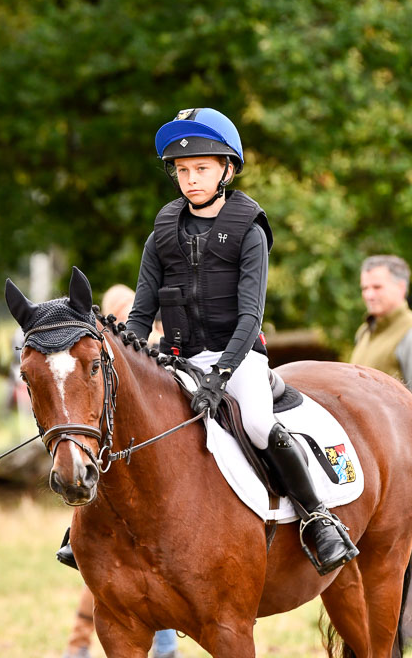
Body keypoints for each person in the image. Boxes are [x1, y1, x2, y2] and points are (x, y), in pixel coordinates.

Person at [124, 106, 358, 575]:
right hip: (177, 358)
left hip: (237, 357)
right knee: (129, 416)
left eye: (202, 169)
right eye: (183, 170)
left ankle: (317, 517)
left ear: (227, 170)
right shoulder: (161, 234)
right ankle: (92, 528)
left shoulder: (249, 231)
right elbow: (139, 314)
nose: (190, 179)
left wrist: (222, 374)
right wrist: (132, 359)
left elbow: (251, 316)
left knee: (254, 422)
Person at [61, 286, 178, 658]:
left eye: (132, 310)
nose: (128, 318)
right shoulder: (106, 354)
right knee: (107, 559)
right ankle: (79, 643)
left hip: (159, 469)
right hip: (117, 467)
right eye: (121, 312)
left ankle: (163, 646)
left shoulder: (155, 343)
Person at [350, 255, 412, 390]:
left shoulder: (409, 332)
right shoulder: (364, 331)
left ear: (401, 288)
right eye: (365, 288)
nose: (369, 295)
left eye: (377, 287)